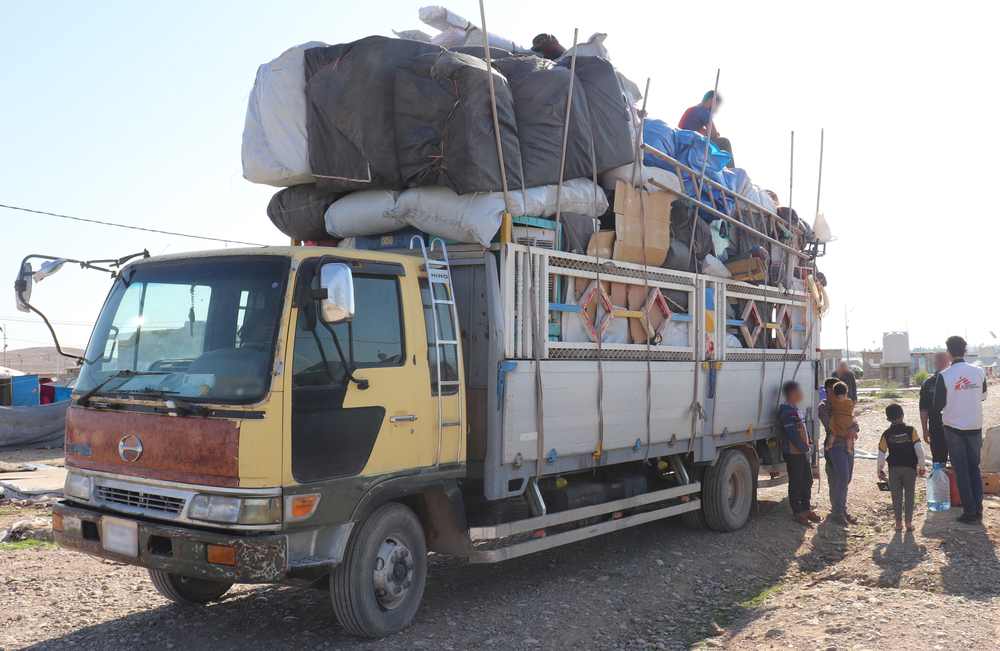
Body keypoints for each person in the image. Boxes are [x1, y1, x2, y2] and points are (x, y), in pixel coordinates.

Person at [933, 335, 988, 524]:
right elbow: (983, 397)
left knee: (962, 470)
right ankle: (978, 512)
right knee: (975, 469)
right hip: (975, 427)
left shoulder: (944, 376)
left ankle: (970, 513)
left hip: (953, 427)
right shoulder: (979, 372)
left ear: (948, 353)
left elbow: (938, 404)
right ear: (966, 351)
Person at [877, 403, 926, 531]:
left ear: (888, 419)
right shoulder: (911, 430)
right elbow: (919, 450)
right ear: (903, 416)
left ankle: (898, 524)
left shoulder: (886, 434)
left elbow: (881, 454)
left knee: (896, 496)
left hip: (894, 469)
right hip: (910, 468)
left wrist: (880, 470)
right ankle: (909, 523)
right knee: (910, 495)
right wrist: (922, 466)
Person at [778, 381, 819, 527]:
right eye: (798, 391)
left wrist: (809, 444)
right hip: (793, 452)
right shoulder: (786, 412)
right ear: (791, 394)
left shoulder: (797, 410)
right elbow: (793, 434)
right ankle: (796, 513)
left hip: (802, 452)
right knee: (796, 483)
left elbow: (804, 431)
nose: (801, 394)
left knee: (807, 480)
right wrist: (805, 448)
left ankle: (806, 509)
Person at [818, 377, 859, 525]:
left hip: (848, 445)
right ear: (830, 390)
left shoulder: (845, 405)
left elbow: (854, 420)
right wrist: (849, 429)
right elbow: (831, 427)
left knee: (845, 479)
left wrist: (853, 429)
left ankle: (841, 509)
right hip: (835, 446)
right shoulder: (824, 406)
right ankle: (838, 511)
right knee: (840, 478)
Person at [678, 91, 735, 167]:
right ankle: (731, 170)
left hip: (683, 140)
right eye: (716, 106)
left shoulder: (692, 110)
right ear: (711, 101)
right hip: (691, 142)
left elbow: (703, 132)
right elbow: (714, 134)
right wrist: (715, 133)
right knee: (725, 142)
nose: (716, 110)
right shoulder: (704, 111)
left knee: (711, 142)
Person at [919, 351, 951, 465]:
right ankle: (939, 481)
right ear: (935, 362)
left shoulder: (955, 379)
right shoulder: (929, 383)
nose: (944, 363)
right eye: (941, 360)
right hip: (936, 427)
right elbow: (923, 408)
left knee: (958, 462)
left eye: (946, 360)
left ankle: (956, 483)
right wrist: (925, 429)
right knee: (938, 461)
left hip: (955, 426)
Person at [827, 382, 857, 454]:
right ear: (846, 392)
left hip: (838, 421)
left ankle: (830, 444)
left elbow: (833, 410)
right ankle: (849, 448)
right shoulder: (849, 401)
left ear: (835, 393)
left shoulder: (834, 403)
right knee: (848, 436)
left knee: (833, 432)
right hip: (847, 421)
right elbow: (851, 410)